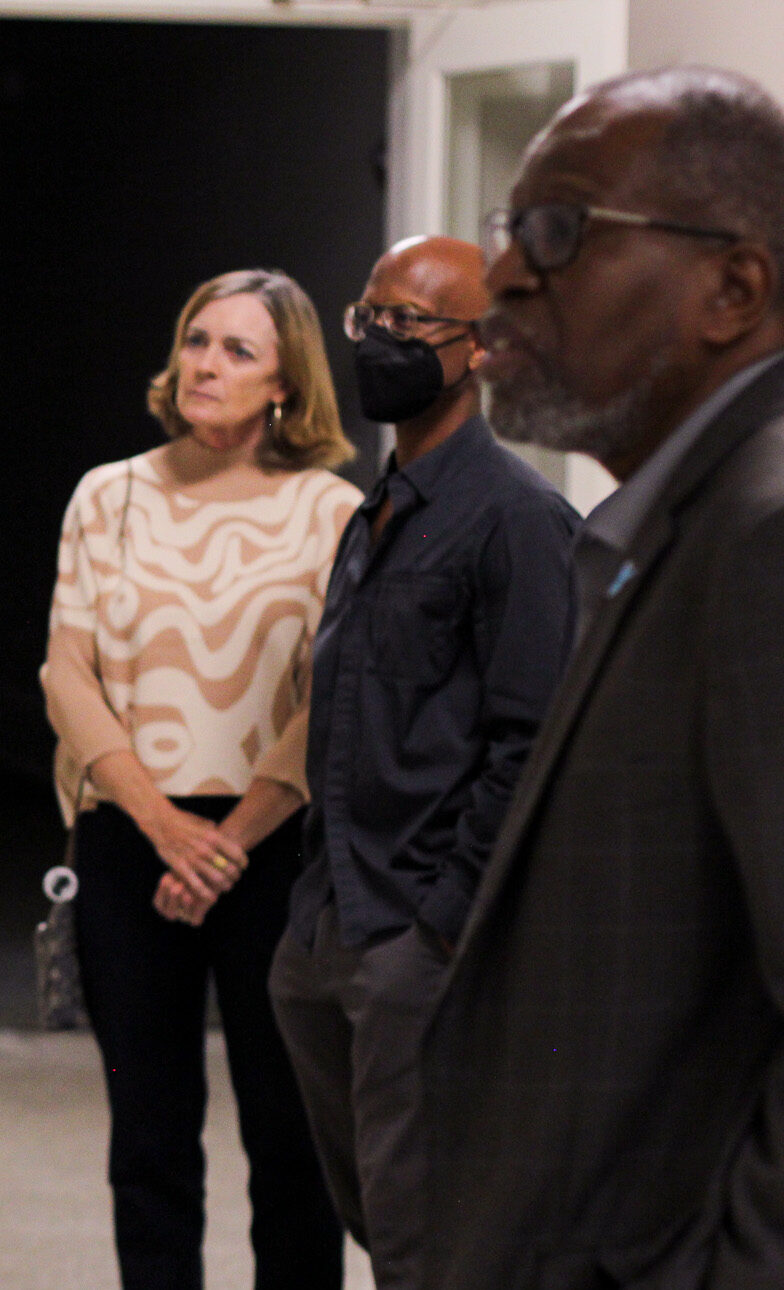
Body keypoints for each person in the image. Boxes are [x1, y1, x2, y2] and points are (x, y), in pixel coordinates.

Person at [420, 66, 784, 1288]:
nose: (508, 274)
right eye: (509, 229)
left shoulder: (765, 535)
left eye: (561, 231)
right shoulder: (678, 520)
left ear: (732, 287)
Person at [265, 237, 578, 1290]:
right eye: (368, 318)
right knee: (378, 1221)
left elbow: (530, 741)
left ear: (478, 349)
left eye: (410, 324)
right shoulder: (376, 511)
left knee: (422, 1240)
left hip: (416, 936)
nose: (379, 342)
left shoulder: (518, 523)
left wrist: (441, 922)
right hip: (325, 926)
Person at [41, 268, 359, 1289]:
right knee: (147, 1132)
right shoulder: (109, 493)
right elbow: (65, 670)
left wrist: (225, 839)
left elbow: (331, 697)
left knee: (289, 1132)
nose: (204, 365)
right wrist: (161, 823)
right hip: (129, 837)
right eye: (194, 341)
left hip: (270, 851)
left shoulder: (333, 512)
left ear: (283, 383)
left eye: (236, 351)